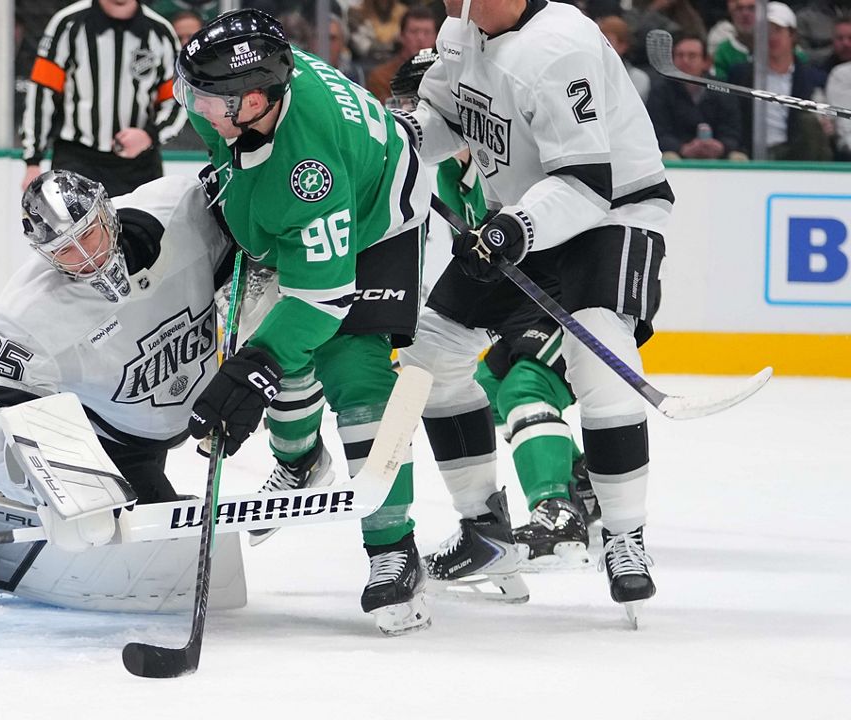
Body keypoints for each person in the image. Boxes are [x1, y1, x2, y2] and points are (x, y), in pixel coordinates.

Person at [395, 0, 673, 622]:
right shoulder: (460, 32)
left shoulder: (560, 45)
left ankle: (624, 537)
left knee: (599, 355)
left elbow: (586, 183)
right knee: (428, 358)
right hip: (525, 214)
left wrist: (509, 230)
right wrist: (398, 139)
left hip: (609, 214)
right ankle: (484, 530)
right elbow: (445, 120)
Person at [176, 8, 436, 635]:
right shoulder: (238, 96)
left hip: (380, 223)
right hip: (294, 218)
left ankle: (394, 550)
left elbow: (322, 299)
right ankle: (298, 461)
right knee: (275, 360)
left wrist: (250, 369)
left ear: (256, 100)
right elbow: (219, 137)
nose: (193, 105)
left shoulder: (307, 171)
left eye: (208, 98)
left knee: (354, 373)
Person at [0, 169, 248, 610]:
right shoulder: (28, 312)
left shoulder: (179, 208)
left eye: (89, 234)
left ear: (108, 209)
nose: (87, 257)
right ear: (44, 255)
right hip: (116, 440)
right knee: (142, 548)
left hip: (203, 400)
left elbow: (257, 207)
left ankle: (298, 453)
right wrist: (61, 492)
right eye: (65, 249)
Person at [390, 48, 599, 571]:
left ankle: (557, 513)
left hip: (566, 282)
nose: (413, 118)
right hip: (512, 294)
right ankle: (578, 480)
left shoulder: (517, 155)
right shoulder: (449, 175)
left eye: (420, 105)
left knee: (527, 386)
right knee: (475, 391)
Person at [21, 0, 186, 197]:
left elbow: (177, 98)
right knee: (77, 229)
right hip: (77, 159)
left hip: (139, 165)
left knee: (138, 228)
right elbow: (42, 93)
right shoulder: (68, 24)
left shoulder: (160, 32)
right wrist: (33, 161)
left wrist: (149, 135)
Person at [725, 2, 831, 162]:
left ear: (792, 35)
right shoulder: (740, 75)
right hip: (751, 155)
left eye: (777, 30)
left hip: (798, 156)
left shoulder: (812, 77)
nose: (771, 37)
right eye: (765, 31)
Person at [646, 33, 747, 160]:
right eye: (680, 55)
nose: (685, 61)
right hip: (677, 154)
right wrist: (682, 148)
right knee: (669, 157)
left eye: (692, 56)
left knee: (738, 158)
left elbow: (733, 130)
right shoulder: (660, 91)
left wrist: (721, 146)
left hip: (718, 155)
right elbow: (658, 131)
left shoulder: (723, 90)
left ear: (706, 62)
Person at [366, 6, 438, 102]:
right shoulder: (381, 77)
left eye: (427, 32)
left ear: (436, 37)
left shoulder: (444, 74)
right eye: (414, 32)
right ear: (401, 35)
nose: (420, 38)